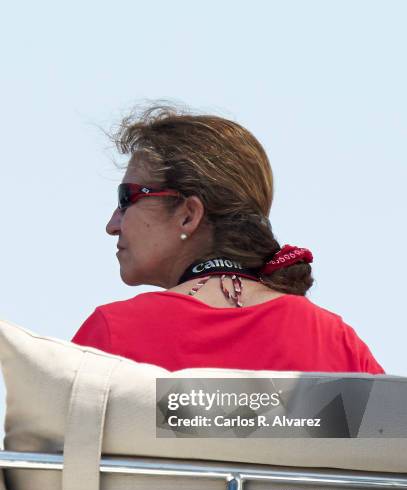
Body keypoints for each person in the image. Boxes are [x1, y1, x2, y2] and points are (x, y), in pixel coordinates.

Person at [72, 104, 384, 374]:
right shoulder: (335, 342)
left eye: (127, 199)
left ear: (188, 215)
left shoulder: (113, 337)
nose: (112, 225)